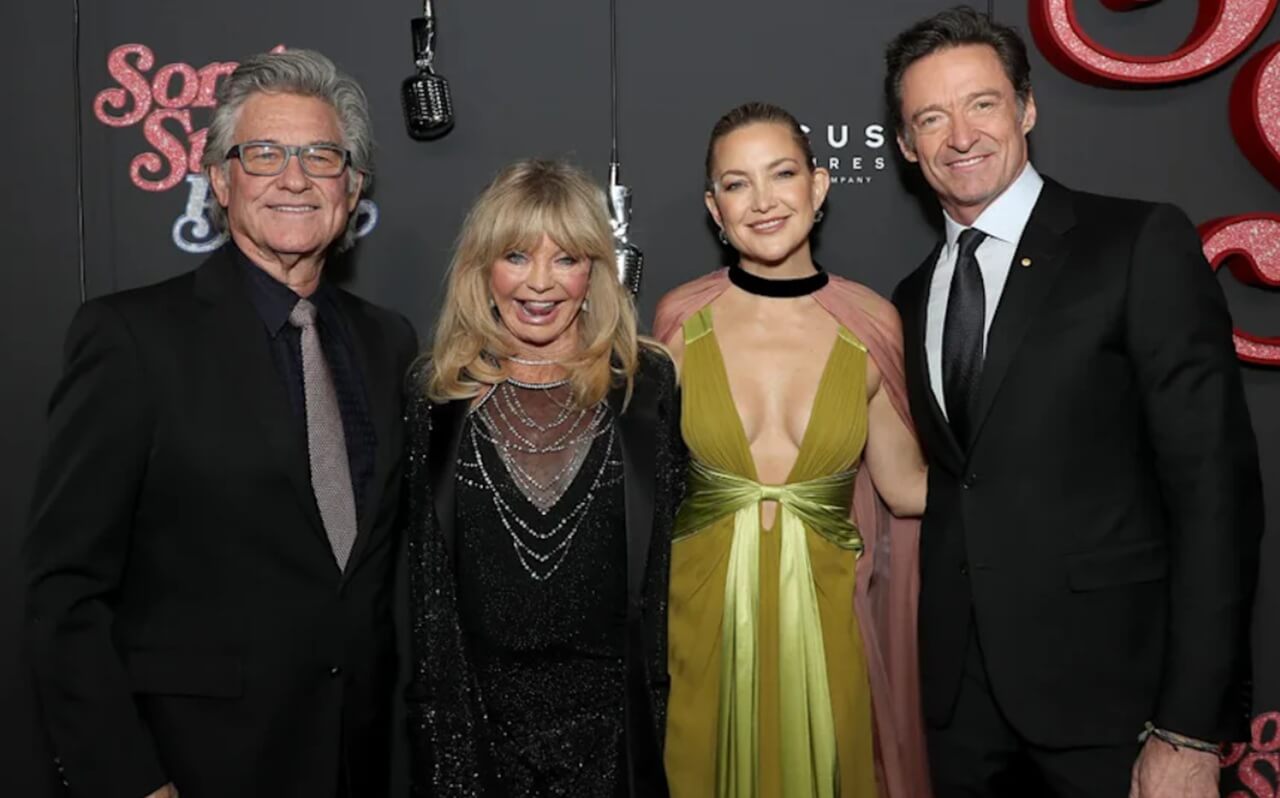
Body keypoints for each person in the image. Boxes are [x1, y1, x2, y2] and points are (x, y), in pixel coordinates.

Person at [884, 7, 1264, 797]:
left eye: (982, 103)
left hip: (1112, 709)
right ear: (905, 145)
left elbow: (1215, 496)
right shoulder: (913, 295)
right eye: (931, 116)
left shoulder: (1134, 245)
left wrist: (1189, 728)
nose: (961, 135)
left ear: (1026, 107)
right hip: (962, 714)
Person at [23, 49, 418, 798]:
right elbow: (65, 590)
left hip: (354, 761)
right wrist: (130, 781)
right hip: (192, 768)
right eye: (263, 153)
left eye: (321, 156)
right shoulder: (132, 339)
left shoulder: (387, 341)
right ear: (219, 179)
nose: (294, 178)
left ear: (353, 185)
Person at [653, 102, 932, 798]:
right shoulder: (679, 321)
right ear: (714, 208)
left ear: (819, 185)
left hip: (829, 613)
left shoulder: (871, 322)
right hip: (700, 618)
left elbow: (904, 489)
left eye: (781, 174)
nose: (763, 200)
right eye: (737, 183)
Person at [403, 159, 682, 797]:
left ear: (594, 273)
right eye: (517, 256)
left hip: (616, 734)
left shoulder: (646, 389)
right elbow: (418, 585)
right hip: (470, 733)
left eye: (566, 259)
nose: (540, 284)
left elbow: (671, 562)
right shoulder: (434, 396)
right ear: (483, 269)